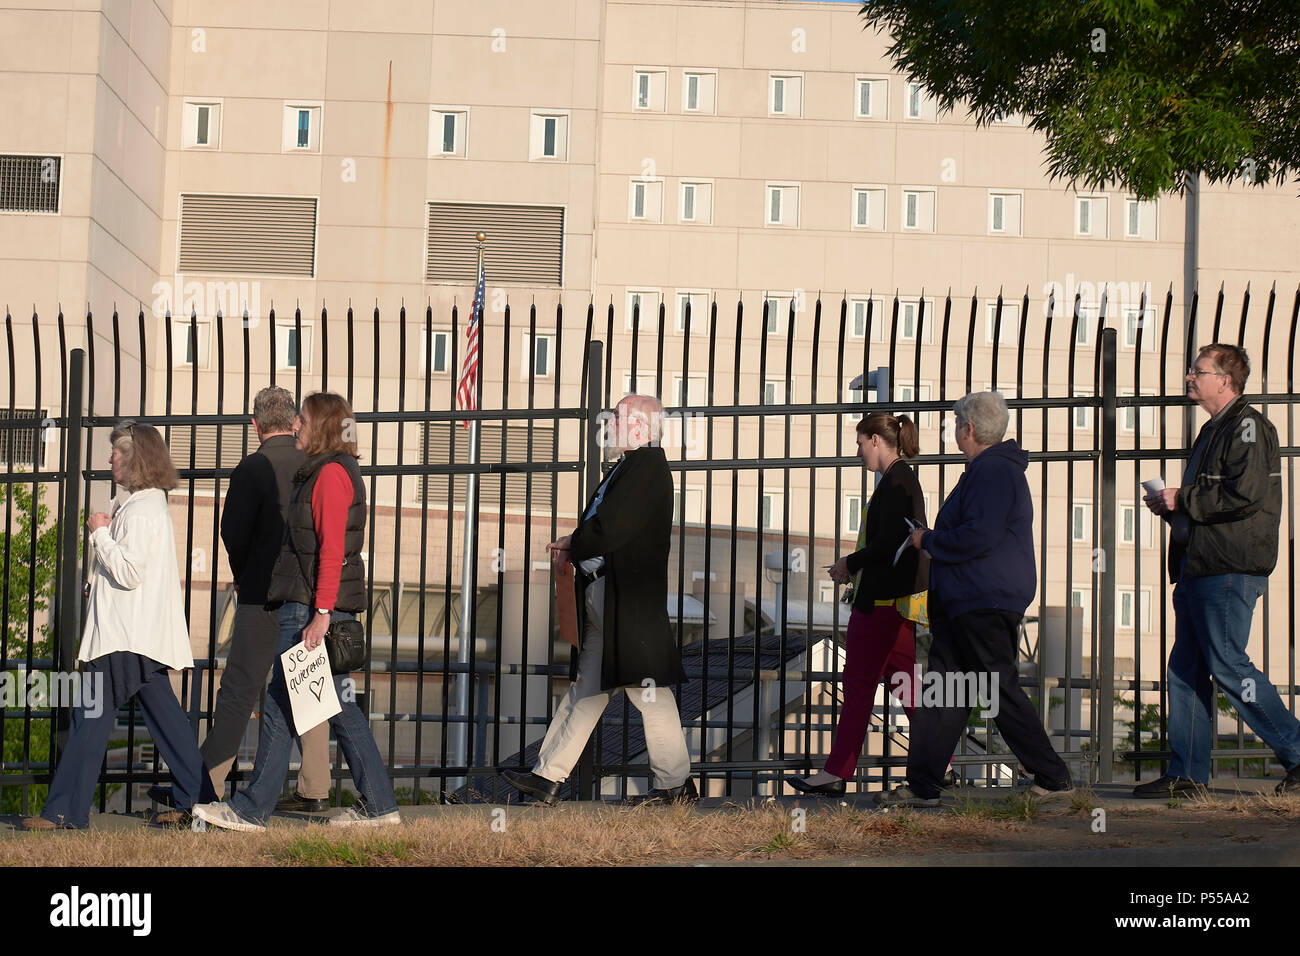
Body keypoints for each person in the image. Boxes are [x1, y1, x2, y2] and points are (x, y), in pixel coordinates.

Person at [192, 392, 400, 830]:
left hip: (311, 608)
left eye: (303, 420)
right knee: (317, 706)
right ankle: (380, 806)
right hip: (311, 605)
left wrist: (322, 613)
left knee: (288, 704)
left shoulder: (329, 476)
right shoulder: (327, 471)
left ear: (321, 427)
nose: (296, 425)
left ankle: (252, 810)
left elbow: (330, 552)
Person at [880, 391, 1073, 806]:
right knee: (948, 690)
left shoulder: (991, 472)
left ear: (968, 429)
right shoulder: (992, 470)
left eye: (954, 424)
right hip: (967, 599)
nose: (953, 430)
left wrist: (927, 539)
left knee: (995, 687)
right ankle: (923, 785)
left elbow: (978, 535)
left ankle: (1054, 776)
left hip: (980, 598)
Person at [504, 394, 696, 805]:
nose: (609, 424)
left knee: (648, 692)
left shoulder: (645, 468)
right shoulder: (635, 467)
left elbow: (612, 527)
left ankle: (675, 785)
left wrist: (575, 541)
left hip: (621, 598)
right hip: (609, 594)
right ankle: (547, 776)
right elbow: (608, 525)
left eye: (618, 418)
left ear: (640, 427)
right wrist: (578, 545)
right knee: (589, 690)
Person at [24, 423, 216, 829]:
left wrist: (99, 535)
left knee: (89, 718)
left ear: (136, 460)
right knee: (165, 722)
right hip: (134, 636)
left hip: (121, 635)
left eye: (118, 452)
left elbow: (129, 573)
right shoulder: (144, 505)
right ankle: (200, 804)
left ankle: (64, 812)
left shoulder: (141, 510)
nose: (111, 458)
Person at [148, 386, 330, 809]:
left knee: (238, 692)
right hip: (307, 598)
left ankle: (206, 784)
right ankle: (315, 788)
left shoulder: (253, 467)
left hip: (261, 597)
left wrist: (248, 574)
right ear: (294, 420)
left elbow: (233, 533)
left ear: (255, 425)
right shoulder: (314, 464)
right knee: (308, 688)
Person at [1137, 344, 1300, 797]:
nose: (1190, 377)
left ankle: (1297, 753)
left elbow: (1244, 494)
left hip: (1227, 568)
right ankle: (1187, 776)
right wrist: (1173, 508)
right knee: (1185, 668)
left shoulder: (1246, 426)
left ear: (1224, 380)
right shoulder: (1214, 429)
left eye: (1199, 371)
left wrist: (1182, 499)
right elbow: (1217, 500)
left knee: (1228, 663)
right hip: (1200, 564)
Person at [788, 413, 928, 796]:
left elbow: (889, 543)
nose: (857, 451)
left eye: (860, 442)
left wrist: (851, 563)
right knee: (906, 687)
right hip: (893, 604)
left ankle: (835, 773)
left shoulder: (896, 482)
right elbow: (895, 542)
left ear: (876, 441)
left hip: (881, 605)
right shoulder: (901, 480)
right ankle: (939, 762)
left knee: (859, 686)